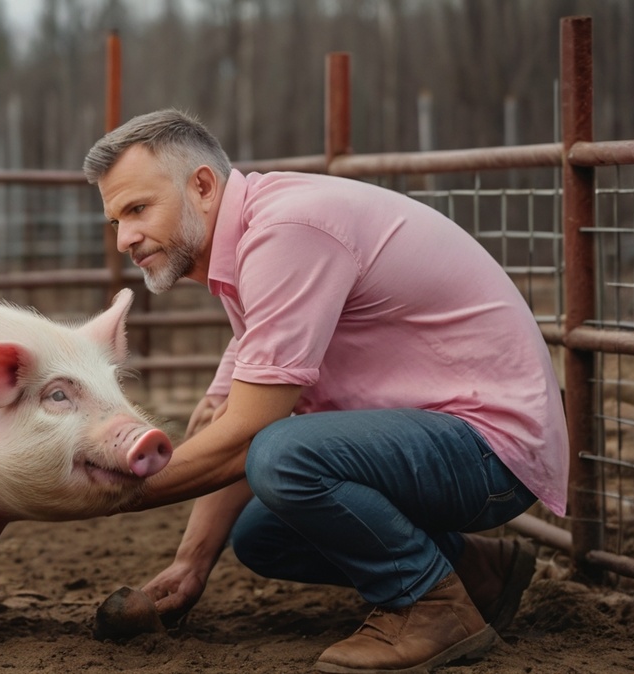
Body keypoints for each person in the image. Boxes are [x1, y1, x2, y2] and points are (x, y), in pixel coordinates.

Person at [83, 108, 569, 673]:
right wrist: (190, 564)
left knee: (280, 456)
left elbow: (247, 438)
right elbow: (225, 422)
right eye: (115, 220)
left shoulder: (287, 232)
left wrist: (109, 493)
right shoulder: (248, 250)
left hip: (491, 449)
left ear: (203, 186)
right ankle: (475, 573)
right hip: (445, 439)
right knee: (262, 534)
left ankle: (429, 606)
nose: (125, 240)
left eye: (138, 209)